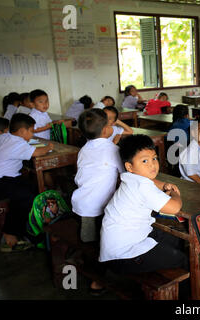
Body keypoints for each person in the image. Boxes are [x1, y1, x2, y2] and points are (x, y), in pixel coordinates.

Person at [100, 134, 188, 275]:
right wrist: (175, 193)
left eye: (154, 158)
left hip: (119, 245)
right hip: (123, 256)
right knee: (182, 259)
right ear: (130, 166)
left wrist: (165, 184)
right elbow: (175, 208)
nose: (152, 164)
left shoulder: (131, 178)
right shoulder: (142, 187)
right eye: (145, 161)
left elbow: (151, 182)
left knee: (174, 239)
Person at [71, 109, 124, 294]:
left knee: (89, 239)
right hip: (96, 208)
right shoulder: (112, 149)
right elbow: (127, 175)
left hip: (81, 203)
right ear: (105, 130)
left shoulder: (84, 149)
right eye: (110, 124)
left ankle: (85, 259)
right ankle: (96, 281)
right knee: (99, 244)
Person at [0, 113, 53, 252]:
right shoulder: (18, 143)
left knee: (32, 187)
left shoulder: (4, 137)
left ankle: (33, 220)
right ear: (22, 131)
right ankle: (10, 234)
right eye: (31, 131)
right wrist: (49, 146)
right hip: (0, 182)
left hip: (6, 177)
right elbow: (38, 152)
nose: (32, 134)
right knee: (26, 196)